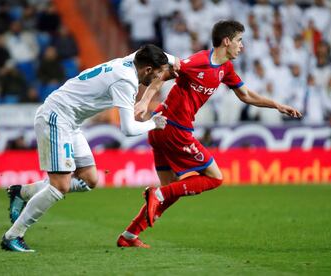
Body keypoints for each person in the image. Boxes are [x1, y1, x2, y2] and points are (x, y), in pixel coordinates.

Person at [116, 20, 302, 248]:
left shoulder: (226, 69)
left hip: (160, 127)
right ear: (226, 41)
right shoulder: (198, 61)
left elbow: (246, 95)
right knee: (215, 177)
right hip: (173, 128)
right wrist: (144, 101)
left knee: (170, 191)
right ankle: (157, 195)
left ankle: (129, 235)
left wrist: (276, 105)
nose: (241, 46)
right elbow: (163, 74)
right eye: (239, 41)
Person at [1, 44, 179, 252]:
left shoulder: (133, 59)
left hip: (71, 121)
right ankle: (13, 236)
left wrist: (181, 65)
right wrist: (154, 123)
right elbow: (128, 129)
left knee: (89, 180)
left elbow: (164, 56)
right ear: (148, 69)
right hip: (56, 118)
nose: (158, 78)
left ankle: (21, 192)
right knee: (60, 186)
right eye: (158, 73)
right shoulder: (126, 81)